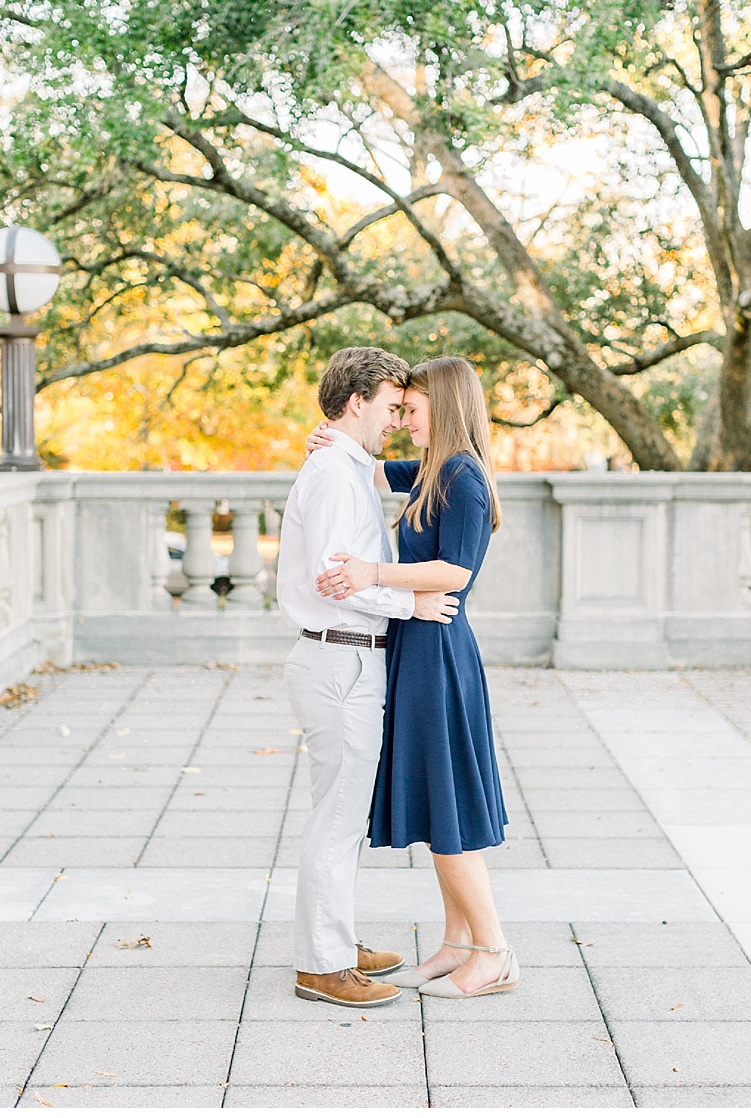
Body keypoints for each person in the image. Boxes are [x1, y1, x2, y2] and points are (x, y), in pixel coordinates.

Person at [310, 355, 515, 998]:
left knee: (446, 807)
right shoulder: (431, 468)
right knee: (435, 802)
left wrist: (371, 573)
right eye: (397, 409)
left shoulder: (462, 477)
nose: (401, 420)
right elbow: (369, 467)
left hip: (439, 652)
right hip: (417, 645)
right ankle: (457, 943)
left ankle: (493, 951)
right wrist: (331, 438)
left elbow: (457, 572)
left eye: (412, 409)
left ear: (445, 408)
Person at [274, 347, 459, 1008]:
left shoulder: (347, 466)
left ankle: (335, 943)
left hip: (349, 656)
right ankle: (322, 966)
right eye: (390, 406)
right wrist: (411, 604)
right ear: (357, 402)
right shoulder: (332, 473)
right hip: (339, 656)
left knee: (345, 816)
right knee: (337, 817)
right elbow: (335, 577)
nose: (397, 420)